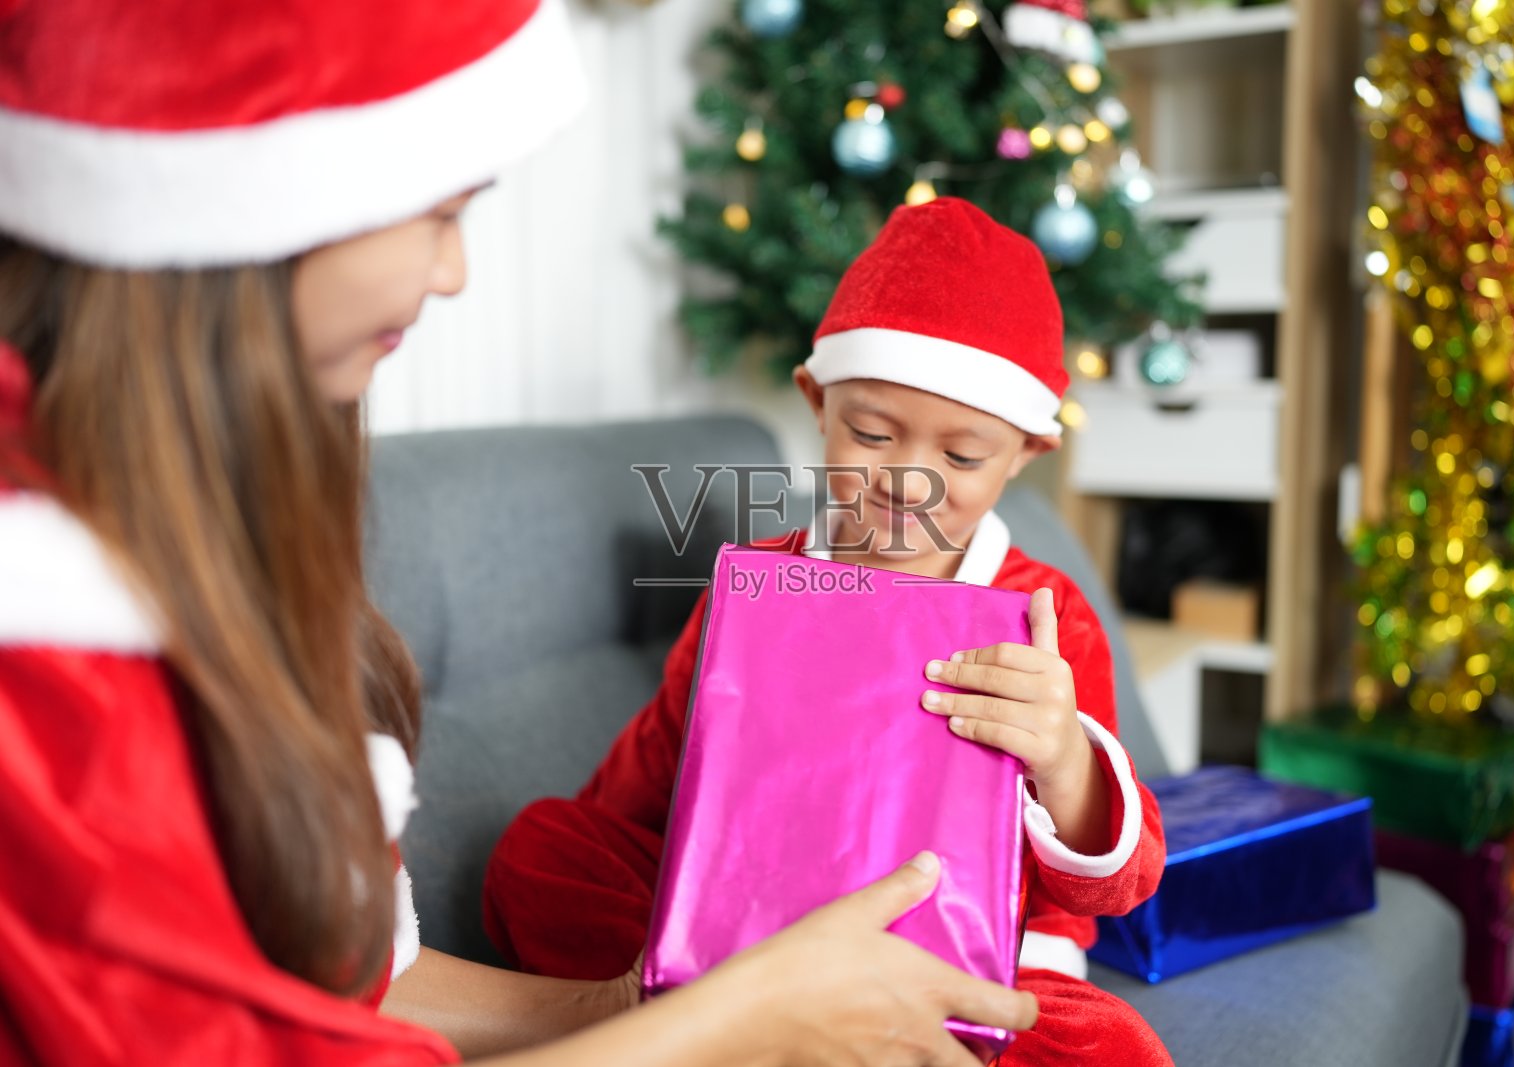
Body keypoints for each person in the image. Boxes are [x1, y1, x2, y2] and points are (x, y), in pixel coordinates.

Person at [0, 2, 1036, 1065]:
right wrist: (732, 1018)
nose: (452, 273)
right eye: (441, 214)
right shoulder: (44, 638)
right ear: (260, 197)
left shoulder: (204, 525)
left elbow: (356, 983)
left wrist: (665, 1002)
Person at [485, 198, 1174, 1066]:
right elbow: (647, 780)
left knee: (1115, 1047)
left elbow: (1122, 876)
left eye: (962, 457)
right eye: (873, 433)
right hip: (746, 934)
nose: (909, 480)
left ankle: (758, 1038)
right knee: (540, 848)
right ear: (817, 400)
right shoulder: (754, 584)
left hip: (965, 963)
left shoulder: (1045, 611)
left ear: (1026, 452)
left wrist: (1065, 758)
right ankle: (724, 1016)